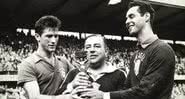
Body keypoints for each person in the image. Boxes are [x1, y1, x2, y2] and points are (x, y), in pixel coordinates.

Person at [77, 1, 175, 99]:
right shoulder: (135, 55)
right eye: (126, 18)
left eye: (131, 16)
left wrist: (104, 96)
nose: (127, 21)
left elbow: (145, 91)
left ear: (146, 16)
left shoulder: (162, 50)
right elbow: (126, 89)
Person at [17, 15, 74, 99]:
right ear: (37, 37)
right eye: (49, 36)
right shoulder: (28, 64)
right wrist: (66, 97)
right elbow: (35, 97)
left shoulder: (64, 61)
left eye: (56, 36)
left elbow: (79, 79)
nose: (53, 40)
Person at [59, 35, 126, 97]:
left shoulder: (119, 75)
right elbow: (57, 96)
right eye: (88, 47)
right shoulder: (74, 73)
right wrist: (71, 86)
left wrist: (103, 96)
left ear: (106, 51)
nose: (92, 50)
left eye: (97, 46)